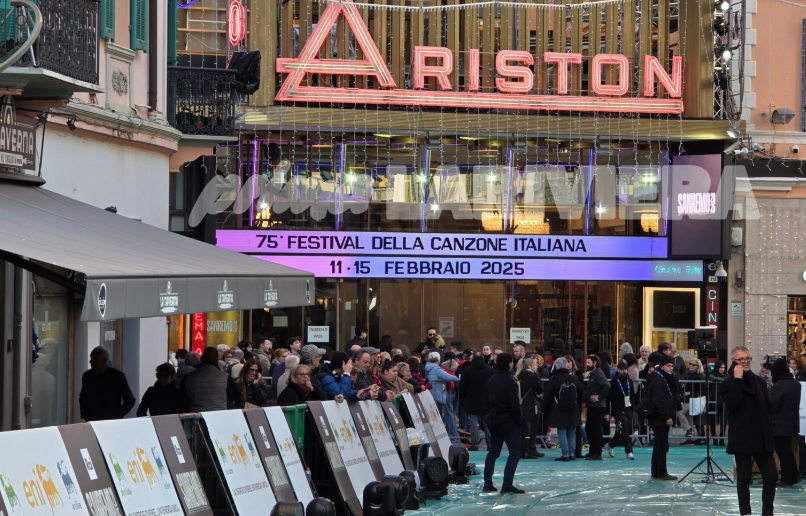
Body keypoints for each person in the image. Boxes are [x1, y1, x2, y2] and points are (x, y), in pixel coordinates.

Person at [719, 346, 776, 516]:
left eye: (747, 358)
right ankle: (746, 512)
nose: (745, 362)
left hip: (762, 435)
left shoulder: (759, 381)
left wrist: (770, 421)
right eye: (741, 359)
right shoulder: (727, 383)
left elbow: (767, 404)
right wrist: (737, 380)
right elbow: (733, 404)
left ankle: (768, 512)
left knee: (771, 475)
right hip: (742, 436)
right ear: (734, 362)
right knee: (743, 477)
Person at [482, 353, 525, 494]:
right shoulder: (510, 381)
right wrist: (518, 420)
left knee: (493, 452)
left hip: (495, 419)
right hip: (508, 421)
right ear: (510, 363)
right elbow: (514, 404)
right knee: (515, 452)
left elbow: (488, 400)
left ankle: (487, 483)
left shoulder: (492, 379)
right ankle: (507, 484)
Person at [769, 358, 802, 487]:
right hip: (791, 423)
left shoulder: (779, 386)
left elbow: (771, 405)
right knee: (788, 450)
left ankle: (788, 477)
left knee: (783, 452)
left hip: (779, 425)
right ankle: (794, 475)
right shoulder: (795, 384)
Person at [79, 346, 136, 422]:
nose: (90, 361)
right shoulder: (87, 376)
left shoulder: (117, 376)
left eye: (94, 359)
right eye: (91, 358)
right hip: (92, 420)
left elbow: (130, 399)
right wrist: (85, 415)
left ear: (105, 360)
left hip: (111, 421)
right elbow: (83, 397)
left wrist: (117, 415)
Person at [542, 357, 583, 461]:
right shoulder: (574, 378)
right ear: (566, 366)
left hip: (559, 409)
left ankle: (565, 454)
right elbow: (581, 391)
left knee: (562, 431)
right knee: (571, 432)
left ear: (556, 366)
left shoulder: (553, 379)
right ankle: (572, 453)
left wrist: (544, 408)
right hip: (573, 409)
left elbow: (547, 395)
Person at [180, 347, 244, 412]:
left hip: (196, 418)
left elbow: (182, 400)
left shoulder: (188, 377)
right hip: (219, 416)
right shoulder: (225, 377)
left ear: (202, 358)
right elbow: (234, 396)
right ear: (216, 360)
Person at [647, 356, 679, 480]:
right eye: (668, 366)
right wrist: (667, 417)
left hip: (660, 417)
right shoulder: (659, 380)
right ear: (662, 367)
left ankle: (656, 470)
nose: (671, 368)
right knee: (662, 445)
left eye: (672, 366)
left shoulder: (663, 378)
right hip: (659, 417)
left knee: (659, 444)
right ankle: (661, 471)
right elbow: (659, 401)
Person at [459, 351, 493, 451]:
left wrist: (462, 396)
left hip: (471, 400)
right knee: (487, 423)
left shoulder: (468, 370)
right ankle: (489, 444)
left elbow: (463, 386)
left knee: (473, 423)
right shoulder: (489, 370)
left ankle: (474, 444)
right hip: (486, 400)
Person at [604, 361, 635, 459]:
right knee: (624, 430)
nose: (624, 371)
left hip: (628, 409)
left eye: (625, 369)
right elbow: (608, 398)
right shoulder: (613, 382)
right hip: (617, 410)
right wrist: (607, 413)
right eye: (622, 369)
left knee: (623, 431)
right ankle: (629, 451)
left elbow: (633, 396)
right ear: (618, 369)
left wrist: (634, 409)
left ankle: (611, 445)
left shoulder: (629, 381)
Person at [425, 351, 459, 440]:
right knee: (439, 415)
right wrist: (458, 379)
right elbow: (448, 377)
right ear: (438, 360)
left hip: (430, 393)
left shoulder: (427, 367)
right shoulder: (436, 369)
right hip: (437, 394)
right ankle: (449, 435)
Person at [516, 357, 544, 459]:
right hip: (530, 403)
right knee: (531, 428)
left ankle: (525, 450)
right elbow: (539, 389)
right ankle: (529, 451)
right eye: (535, 364)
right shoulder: (532, 376)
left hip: (521, 403)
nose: (536, 366)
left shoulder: (519, 375)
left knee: (524, 428)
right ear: (529, 365)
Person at [583, 354, 610, 460]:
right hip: (592, 405)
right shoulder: (593, 374)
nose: (586, 364)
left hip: (597, 406)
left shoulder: (599, 374)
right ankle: (592, 450)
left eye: (589, 362)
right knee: (589, 428)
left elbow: (607, 385)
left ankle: (597, 452)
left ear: (595, 363)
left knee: (596, 429)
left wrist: (600, 397)